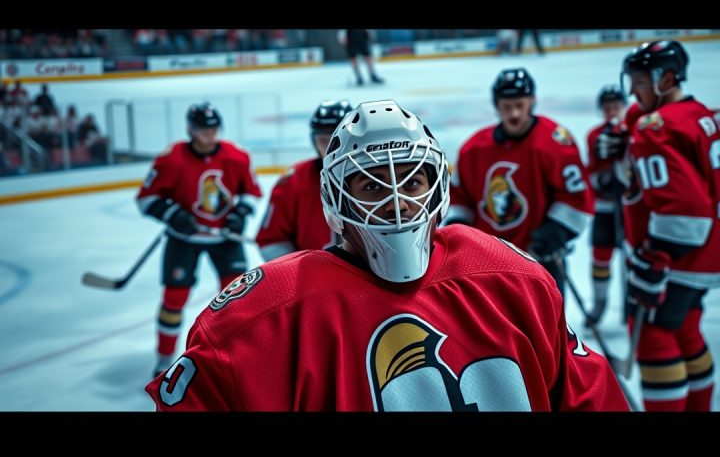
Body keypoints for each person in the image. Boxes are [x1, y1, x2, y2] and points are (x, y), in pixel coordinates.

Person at [146, 99, 628, 411]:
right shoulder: (267, 314)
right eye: (373, 185)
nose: (397, 201)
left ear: (437, 185)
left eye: (412, 181)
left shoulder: (513, 279)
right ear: (337, 197)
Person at [618, 40, 718, 411]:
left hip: (679, 257)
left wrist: (655, 256)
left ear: (667, 79)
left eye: (640, 81)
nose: (632, 90)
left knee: (653, 337)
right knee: (686, 328)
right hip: (707, 253)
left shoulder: (655, 128)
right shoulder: (699, 113)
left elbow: (685, 211)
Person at [136, 102, 262, 377]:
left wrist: (240, 213)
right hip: (184, 240)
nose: (210, 134)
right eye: (203, 129)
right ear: (190, 130)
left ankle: (233, 359)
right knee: (174, 299)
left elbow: (252, 192)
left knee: (237, 302)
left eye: (214, 129)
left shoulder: (237, 156)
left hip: (225, 240)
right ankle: (164, 360)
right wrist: (171, 214)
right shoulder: (171, 159)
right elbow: (146, 199)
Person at [446, 68, 593, 296]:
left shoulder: (554, 142)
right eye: (507, 106)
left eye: (519, 105)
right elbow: (459, 198)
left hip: (540, 259)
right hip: (488, 263)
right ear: (496, 105)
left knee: (547, 317)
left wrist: (555, 232)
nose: (514, 113)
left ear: (532, 101)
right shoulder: (473, 149)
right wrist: (461, 233)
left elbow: (576, 197)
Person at [256, 100, 352, 261]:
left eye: (339, 139)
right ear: (314, 141)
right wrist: (300, 270)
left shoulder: (377, 176)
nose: (332, 148)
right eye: (324, 140)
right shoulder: (293, 182)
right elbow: (271, 240)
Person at [584, 84, 628, 326]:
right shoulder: (594, 136)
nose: (611, 111)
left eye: (616, 106)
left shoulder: (634, 131)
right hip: (604, 208)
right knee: (600, 257)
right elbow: (590, 170)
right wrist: (601, 181)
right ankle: (600, 303)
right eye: (607, 107)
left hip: (630, 209)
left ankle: (632, 302)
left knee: (633, 259)